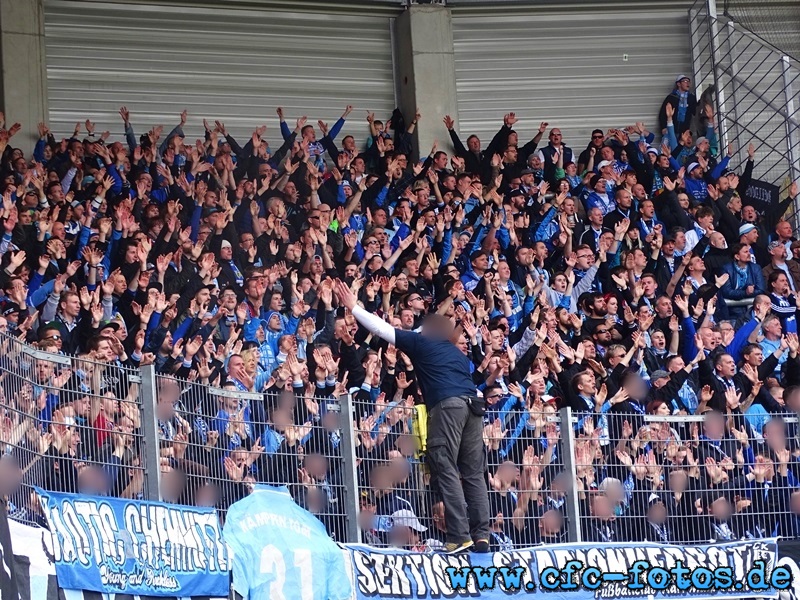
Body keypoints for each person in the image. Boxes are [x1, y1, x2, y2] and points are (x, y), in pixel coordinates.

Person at [333, 279, 489, 554]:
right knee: (474, 474)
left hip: (448, 406)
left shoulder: (420, 341)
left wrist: (353, 307)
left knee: (446, 466)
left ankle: (459, 536)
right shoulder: (455, 353)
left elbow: (383, 329)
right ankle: (482, 536)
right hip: (474, 406)